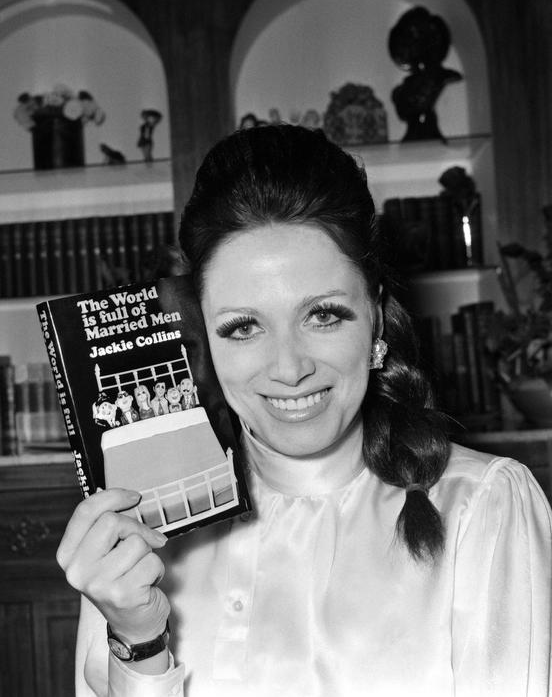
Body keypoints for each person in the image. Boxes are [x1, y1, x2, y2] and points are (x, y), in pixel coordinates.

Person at [57, 124, 552, 697]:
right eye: (243, 327)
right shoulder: (137, 528)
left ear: (375, 317)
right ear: (204, 340)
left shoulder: (484, 507)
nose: (289, 368)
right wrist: (138, 640)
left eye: (323, 315)